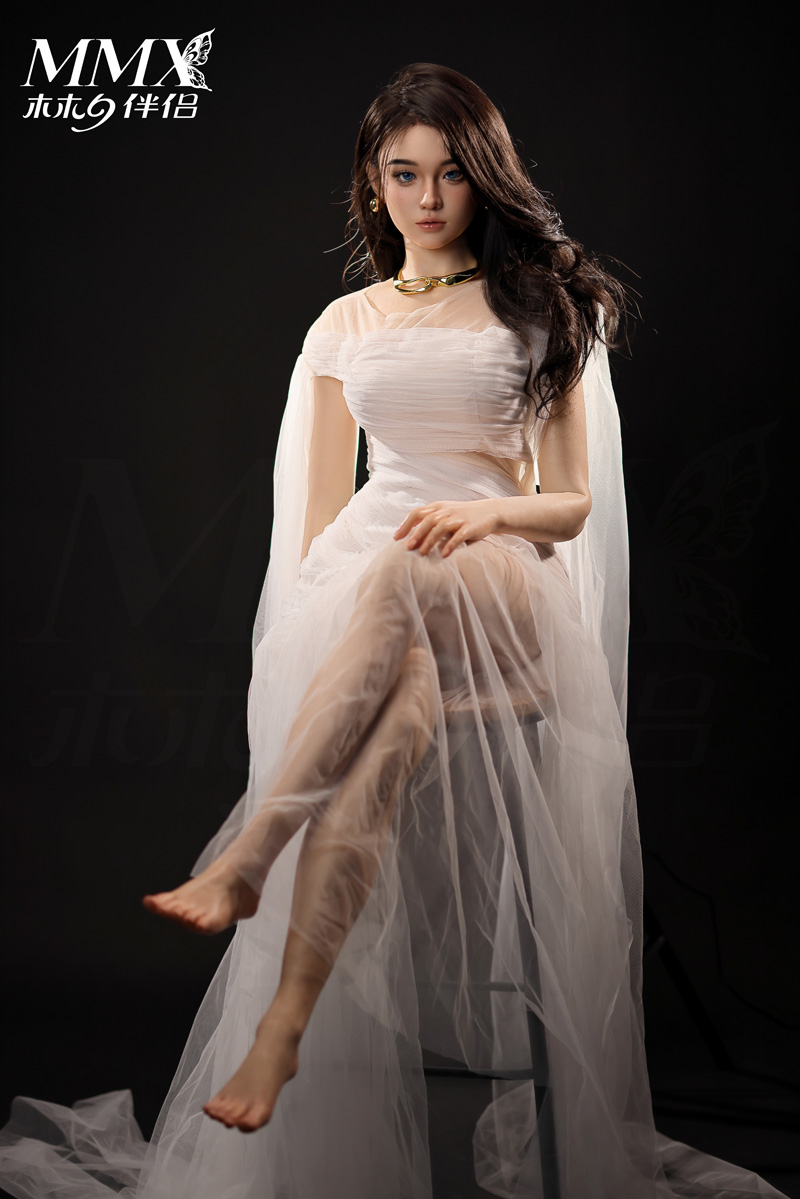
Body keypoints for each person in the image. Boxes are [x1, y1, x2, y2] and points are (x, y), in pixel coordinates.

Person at [0, 63, 787, 1199]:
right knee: (380, 723)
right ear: (374, 184)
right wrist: (306, 628)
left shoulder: (543, 309)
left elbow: (569, 505)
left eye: (451, 174)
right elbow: (320, 517)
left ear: (485, 178)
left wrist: (487, 513)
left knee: (405, 575)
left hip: (501, 578)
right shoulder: (344, 323)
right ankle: (284, 1026)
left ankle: (253, 848)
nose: (427, 197)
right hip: (384, 581)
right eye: (403, 174)